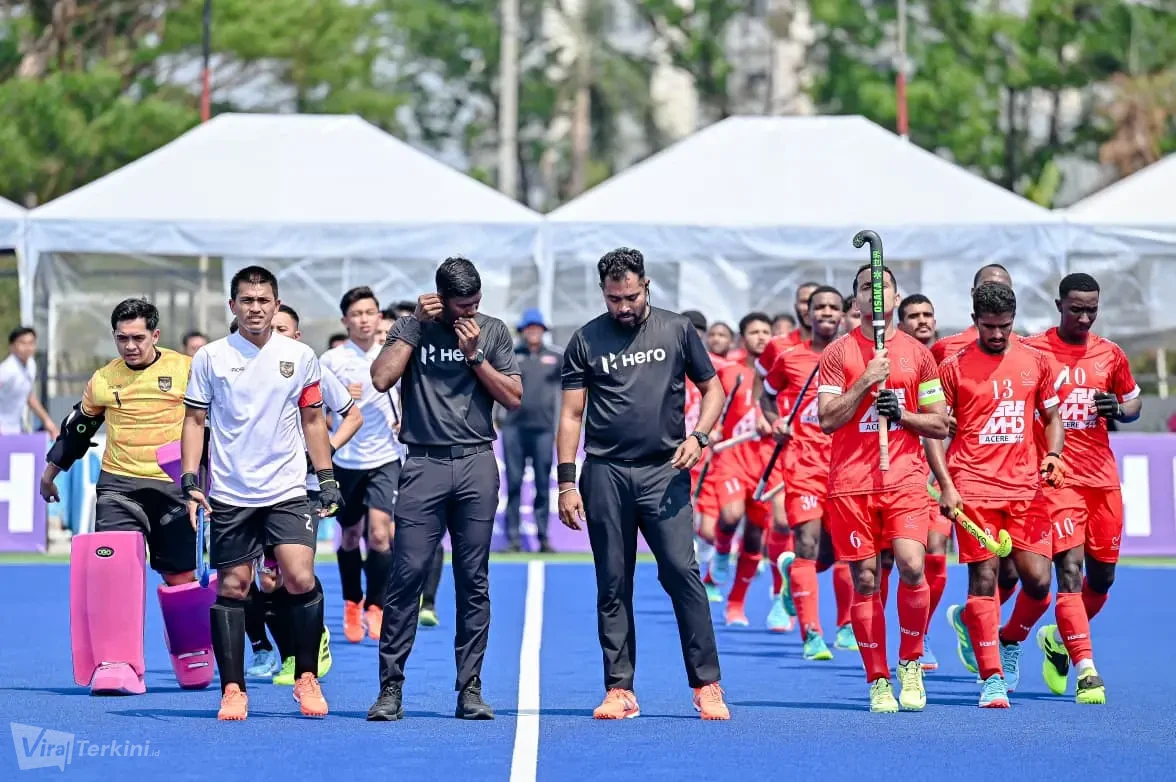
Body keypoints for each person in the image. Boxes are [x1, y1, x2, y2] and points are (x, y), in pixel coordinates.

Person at [556, 247, 731, 721]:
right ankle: (620, 689)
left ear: (646, 285)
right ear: (603, 293)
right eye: (614, 299)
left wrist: (700, 436)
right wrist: (567, 482)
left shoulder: (677, 329)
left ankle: (707, 685)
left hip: (664, 471)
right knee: (613, 581)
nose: (624, 307)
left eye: (631, 297)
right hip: (605, 473)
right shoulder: (585, 339)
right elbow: (571, 414)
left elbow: (713, 389)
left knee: (681, 572)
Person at [181, 265, 341, 721]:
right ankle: (233, 689)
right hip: (231, 493)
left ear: (276, 304)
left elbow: (313, 420)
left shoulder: (301, 356)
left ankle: (306, 677)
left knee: (299, 577)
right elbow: (194, 421)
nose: (255, 308)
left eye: (263, 301)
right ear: (232, 306)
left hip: (288, 489)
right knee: (234, 586)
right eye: (247, 301)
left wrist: (326, 478)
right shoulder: (210, 357)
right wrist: (190, 482)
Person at [367, 257, 522, 722]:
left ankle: (470, 688)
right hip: (423, 464)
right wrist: (415, 326)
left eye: (476, 302)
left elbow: (513, 397)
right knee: (407, 575)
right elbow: (381, 378)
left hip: (476, 461)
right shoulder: (411, 327)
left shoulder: (492, 331)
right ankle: (390, 689)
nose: (470, 312)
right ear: (440, 299)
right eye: (462, 305)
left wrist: (475, 356)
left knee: (473, 579)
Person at [40, 298, 201, 694]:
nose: (130, 346)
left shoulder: (186, 369)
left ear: (155, 335)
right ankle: (118, 662)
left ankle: (192, 652)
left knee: (180, 577)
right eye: (122, 338)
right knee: (112, 571)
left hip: (172, 488)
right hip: (119, 486)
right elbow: (78, 429)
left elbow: (209, 422)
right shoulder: (104, 379)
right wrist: (50, 474)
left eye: (138, 338)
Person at [816, 262, 949, 713]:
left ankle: (910, 663)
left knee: (912, 565)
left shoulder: (919, 355)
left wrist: (902, 415)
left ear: (895, 298)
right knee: (866, 579)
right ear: (855, 300)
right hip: (851, 483)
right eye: (865, 287)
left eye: (883, 287)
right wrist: (865, 382)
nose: (874, 294)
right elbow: (827, 418)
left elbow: (940, 424)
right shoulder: (838, 353)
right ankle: (877, 678)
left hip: (905, 479)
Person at [931, 282, 1064, 708]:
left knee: (1039, 583)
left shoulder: (1036, 361)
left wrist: (1053, 455)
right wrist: (946, 484)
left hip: (1026, 488)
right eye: (988, 326)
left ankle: (1009, 639)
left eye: (1004, 326)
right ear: (975, 321)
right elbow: (934, 430)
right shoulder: (952, 367)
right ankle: (991, 678)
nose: (997, 334)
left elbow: (1052, 416)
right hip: (973, 487)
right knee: (984, 580)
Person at [1024, 272, 1140, 705]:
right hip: (1057, 479)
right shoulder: (1033, 350)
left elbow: (1133, 401)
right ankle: (1087, 671)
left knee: (1102, 579)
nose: (1085, 317)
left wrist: (1121, 409)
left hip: (1102, 479)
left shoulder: (1110, 354)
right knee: (1068, 572)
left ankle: (1057, 637)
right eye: (1076, 309)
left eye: (1092, 310)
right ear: (1059, 306)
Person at [247, 304, 362, 685]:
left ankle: (312, 645)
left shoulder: (312, 368)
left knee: (295, 572)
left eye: (283, 329)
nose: (273, 334)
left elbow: (353, 416)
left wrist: (324, 453)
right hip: (257, 488)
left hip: (303, 489)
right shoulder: (242, 367)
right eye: (271, 328)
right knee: (267, 581)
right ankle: (290, 655)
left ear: (296, 336)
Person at [760, 286, 859, 659]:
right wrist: (775, 422)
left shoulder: (857, 357)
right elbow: (766, 395)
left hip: (846, 467)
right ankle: (812, 633)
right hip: (802, 465)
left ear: (843, 314)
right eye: (820, 307)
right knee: (806, 542)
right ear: (808, 313)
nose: (827, 313)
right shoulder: (789, 358)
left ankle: (845, 624)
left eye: (834, 307)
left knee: (841, 553)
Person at [321, 287, 404, 643]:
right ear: (345, 320)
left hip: (385, 457)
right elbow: (316, 412)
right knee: (351, 535)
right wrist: (340, 401)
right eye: (356, 314)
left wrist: (405, 422)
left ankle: (377, 605)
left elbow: (408, 394)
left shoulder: (395, 354)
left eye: (370, 313)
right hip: (346, 459)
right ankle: (352, 602)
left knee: (381, 534)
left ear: (379, 317)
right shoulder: (331, 361)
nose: (364, 320)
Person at [703, 313, 784, 629]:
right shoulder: (730, 373)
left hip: (769, 463)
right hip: (734, 458)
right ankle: (722, 551)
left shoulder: (781, 374)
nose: (762, 337)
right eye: (754, 332)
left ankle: (736, 603)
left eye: (766, 331)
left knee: (754, 538)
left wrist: (776, 424)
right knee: (731, 514)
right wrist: (712, 430)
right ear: (742, 339)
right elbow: (713, 409)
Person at [502, 308, 562, 553]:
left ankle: (544, 538)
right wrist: (495, 418)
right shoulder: (510, 356)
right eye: (529, 328)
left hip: (544, 431)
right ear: (523, 331)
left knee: (542, 484)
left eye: (537, 327)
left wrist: (563, 424)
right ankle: (513, 539)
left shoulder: (556, 357)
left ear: (543, 330)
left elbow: (571, 391)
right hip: (514, 429)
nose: (534, 332)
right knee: (514, 483)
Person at [0, 327, 56, 438]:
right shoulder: (7, 369)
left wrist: (47, 421)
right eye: (22, 343)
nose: (27, 347)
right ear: (12, 347)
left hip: (16, 430)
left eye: (31, 343)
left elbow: (29, 396)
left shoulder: (31, 365)